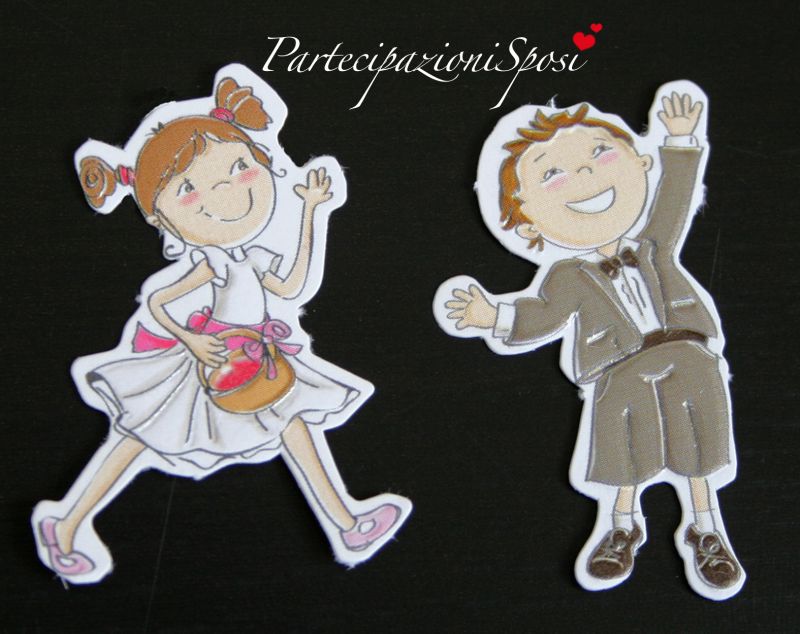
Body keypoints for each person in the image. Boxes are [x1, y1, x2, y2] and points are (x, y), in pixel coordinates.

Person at [32, 68, 410, 584]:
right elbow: (159, 302)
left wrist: (310, 212)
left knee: (291, 422)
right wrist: (193, 341)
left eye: (239, 168)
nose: (227, 192)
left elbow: (291, 286)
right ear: (162, 219)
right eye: (190, 190)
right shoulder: (213, 261)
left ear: (262, 163)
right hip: (212, 361)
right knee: (139, 436)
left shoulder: (250, 256)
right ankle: (67, 522)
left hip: (254, 358)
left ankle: (346, 522)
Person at [440, 85, 744, 599]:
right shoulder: (565, 277)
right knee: (623, 445)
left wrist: (679, 141)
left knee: (699, 440)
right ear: (527, 219)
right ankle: (622, 526)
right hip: (617, 368)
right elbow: (542, 315)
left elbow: (674, 200)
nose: (584, 177)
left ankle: (706, 527)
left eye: (601, 154)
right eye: (553, 175)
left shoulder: (654, 245)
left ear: (638, 163)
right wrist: (494, 316)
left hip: (686, 349)